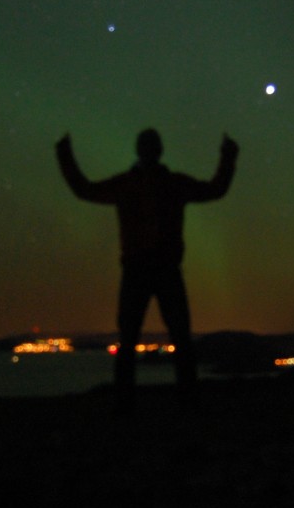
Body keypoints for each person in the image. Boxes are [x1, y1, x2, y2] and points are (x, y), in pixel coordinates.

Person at [56, 128, 238, 411]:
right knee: (172, 338)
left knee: (137, 339)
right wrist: (228, 155)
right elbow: (215, 189)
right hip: (156, 269)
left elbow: (85, 190)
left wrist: (64, 153)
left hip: (144, 269)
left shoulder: (135, 184)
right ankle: (183, 403)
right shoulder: (169, 184)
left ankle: (129, 405)